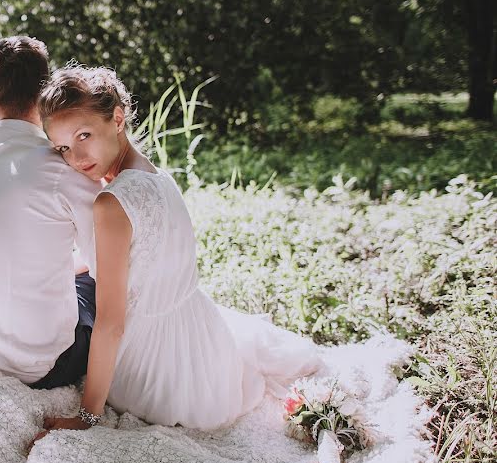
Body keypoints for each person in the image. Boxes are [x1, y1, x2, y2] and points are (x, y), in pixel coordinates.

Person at [32, 64, 322, 438]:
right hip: (205, 345)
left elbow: (111, 322)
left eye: (84, 134)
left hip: (159, 373)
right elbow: (129, 260)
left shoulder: (110, 203)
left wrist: (87, 415)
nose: (75, 157)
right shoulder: (155, 176)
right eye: (64, 147)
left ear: (117, 119)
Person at [0, 37, 103, 390]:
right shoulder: (63, 167)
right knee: (101, 281)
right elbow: (106, 260)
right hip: (39, 365)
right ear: (45, 97)